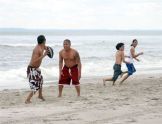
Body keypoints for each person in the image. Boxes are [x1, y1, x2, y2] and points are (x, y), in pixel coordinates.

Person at [25, 35, 48, 104]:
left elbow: (47, 48)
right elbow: (34, 61)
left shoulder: (42, 46)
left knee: (40, 81)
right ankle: (27, 100)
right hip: (32, 69)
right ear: (44, 41)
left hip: (36, 69)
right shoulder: (37, 49)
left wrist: (49, 50)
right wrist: (44, 55)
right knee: (35, 86)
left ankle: (40, 95)